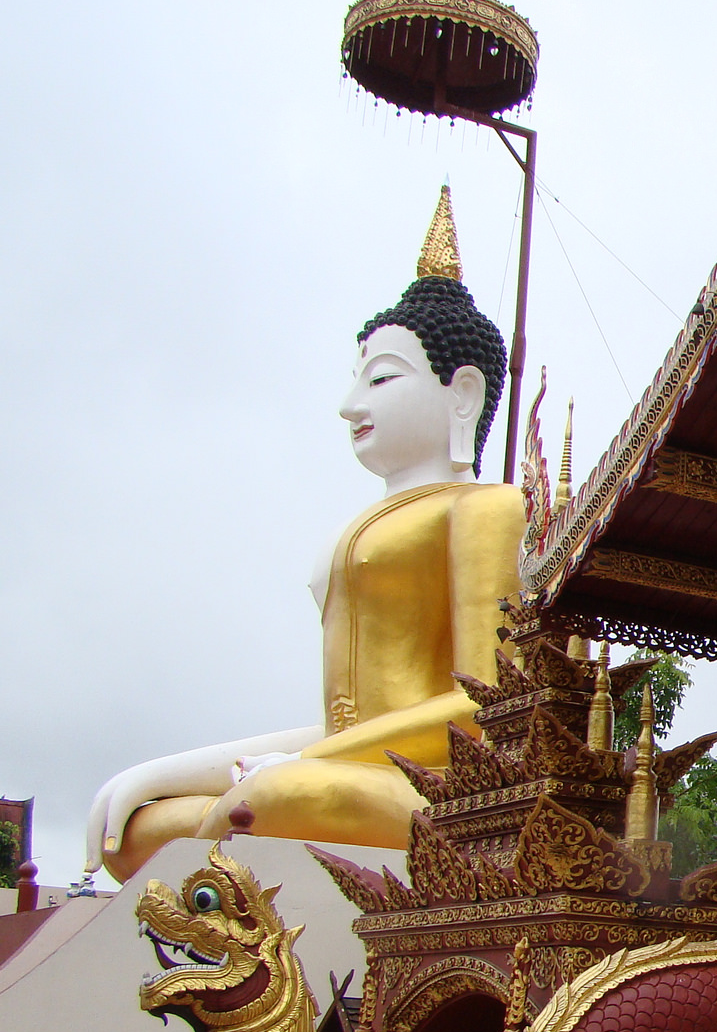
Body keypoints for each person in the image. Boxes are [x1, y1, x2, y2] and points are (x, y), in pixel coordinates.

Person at [87, 189, 523, 882]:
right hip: (345, 772)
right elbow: (340, 732)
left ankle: (232, 845)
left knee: (270, 794)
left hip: (445, 790)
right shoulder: (364, 524)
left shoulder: (486, 509)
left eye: (380, 378)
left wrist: (304, 767)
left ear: (462, 394)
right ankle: (225, 831)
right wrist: (156, 772)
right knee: (138, 829)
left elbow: (487, 705)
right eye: (357, 378)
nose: (352, 404)